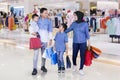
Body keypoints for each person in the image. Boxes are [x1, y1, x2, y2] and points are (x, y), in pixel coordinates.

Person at [65, 11, 90, 75]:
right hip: (75, 42)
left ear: (79, 16)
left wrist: (89, 43)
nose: (74, 17)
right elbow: (68, 29)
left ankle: (81, 69)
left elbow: (87, 34)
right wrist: (62, 31)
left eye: (75, 16)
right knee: (74, 55)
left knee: (82, 56)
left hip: (83, 43)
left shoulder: (85, 24)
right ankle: (74, 65)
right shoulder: (74, 24)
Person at [38, 8, 53, 72]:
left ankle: (43, 66)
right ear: (41, 14)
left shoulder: (49, 21)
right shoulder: (37, 20)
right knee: (36, 54)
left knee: (44, 53)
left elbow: (50, 31)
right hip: (37, 39)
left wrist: (50, 39)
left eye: (47, 13)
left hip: (45, 39)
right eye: (45, 13)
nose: (47, 14)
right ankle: (34, 68)